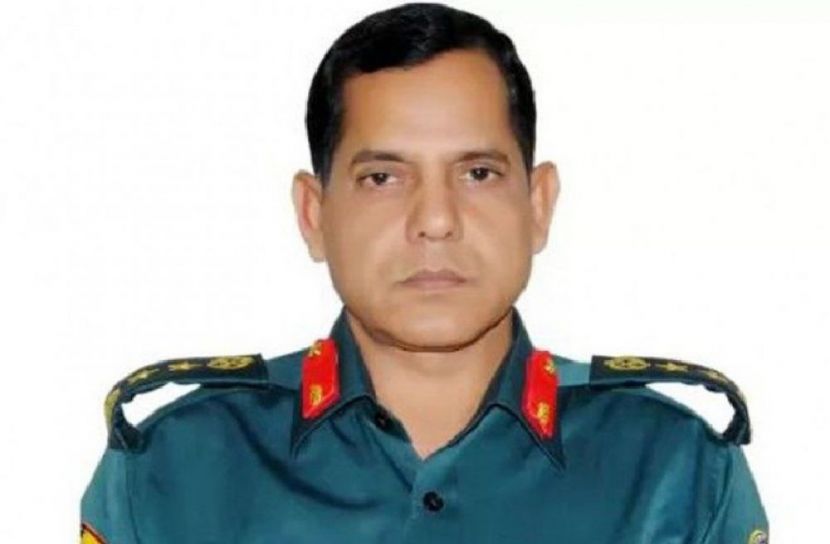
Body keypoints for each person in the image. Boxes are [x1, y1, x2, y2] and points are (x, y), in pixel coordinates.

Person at [79, 3, 769, 543]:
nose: (435, 220)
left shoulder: (674, 471)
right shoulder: (174, 468)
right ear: (314, 214)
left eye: (478, 173)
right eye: (383, 177)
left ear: (538, 206)